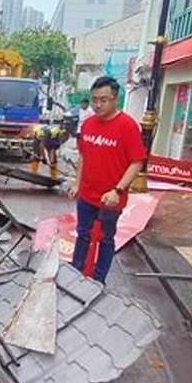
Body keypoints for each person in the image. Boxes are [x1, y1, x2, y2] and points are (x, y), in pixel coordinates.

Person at [68, 76, 146, 284]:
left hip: (110, 198)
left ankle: (98, 279)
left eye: (104, 100)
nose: (98, 105)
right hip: (87, 194)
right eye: (94, 100)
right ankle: (75, 272)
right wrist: (77, 183)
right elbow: (83, 156)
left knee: (105, 238)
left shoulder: (127, 126)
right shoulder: (88, 124)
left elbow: (136, 162)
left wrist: (117, 190)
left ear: (115, 99)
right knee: (83, 234)